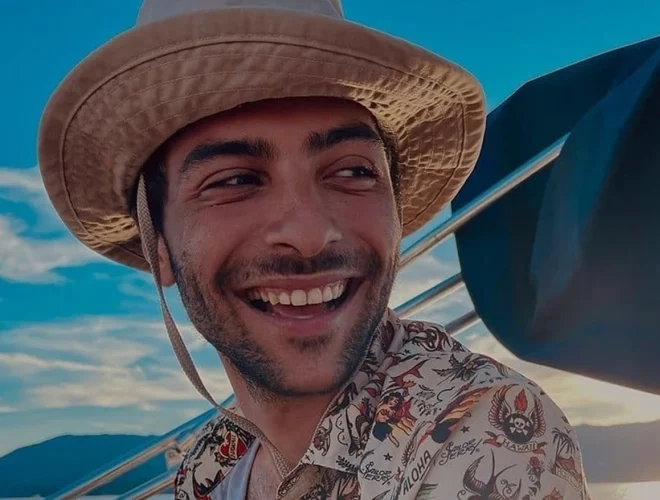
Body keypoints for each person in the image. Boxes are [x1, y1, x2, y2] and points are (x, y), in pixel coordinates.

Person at [38, 0, 590, 498]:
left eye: (352, 172)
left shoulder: (484, 431)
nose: (308, 233)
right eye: (235, 180)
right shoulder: (210, 466)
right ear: (158, 246)